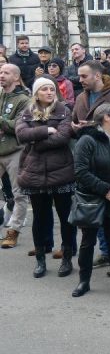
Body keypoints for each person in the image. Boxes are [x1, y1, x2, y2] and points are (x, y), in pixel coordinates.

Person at [16, 77, 75, 277]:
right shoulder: (27, 112)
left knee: (66, 217)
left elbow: (63, 137)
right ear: (37, 93)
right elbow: (21, 135)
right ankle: (40, 259)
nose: (50, 92)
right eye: (45, 89)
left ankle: (67, 257)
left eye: (52, 89)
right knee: (39, 218)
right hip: (35, 172)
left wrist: (37, 141)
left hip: (61, 171)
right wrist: (45, 130)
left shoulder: (64, 110)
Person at [71, 103, 110, 297]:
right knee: (88, 242)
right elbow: (80, 171)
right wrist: (106, 189)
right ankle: (84, 281)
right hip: (91, 199)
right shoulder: (87, 140)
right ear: (105, 117)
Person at [0, 64, 30, 249]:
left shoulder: (24, 100)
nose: (2, 75)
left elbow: (17, 127)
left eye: (6, 73)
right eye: (0, 72)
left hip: (16, 151)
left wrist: (2, 122)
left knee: (19, 194)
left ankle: (13, 231)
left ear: (16, 78)